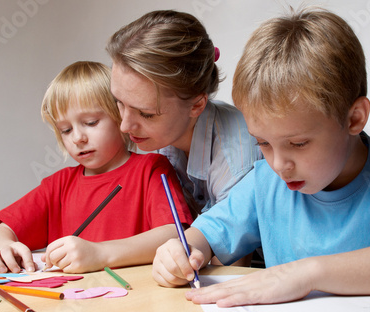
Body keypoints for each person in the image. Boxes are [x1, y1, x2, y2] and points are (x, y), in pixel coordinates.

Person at [151, 7, 370, 307]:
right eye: (263, 143)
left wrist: (306, 274)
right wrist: (180, 250)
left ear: (354, 118)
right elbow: (203, 236)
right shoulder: (264, 182)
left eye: (299, 143)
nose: (278, 164)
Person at [0, 61, 192, 274]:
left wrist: (99, 253)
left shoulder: (151, 169)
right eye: (65, 130)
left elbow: (175, 234)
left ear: (121, 116)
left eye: (90, 123)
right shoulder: (58, 185)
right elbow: (2, 231)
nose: (78, 138)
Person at [106, 9, 261, 218]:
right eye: (120, 102)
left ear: (197, 105)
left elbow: (232, 248)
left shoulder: (236, 163)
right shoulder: (169, 133)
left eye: (146, 114)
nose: (125, 126)